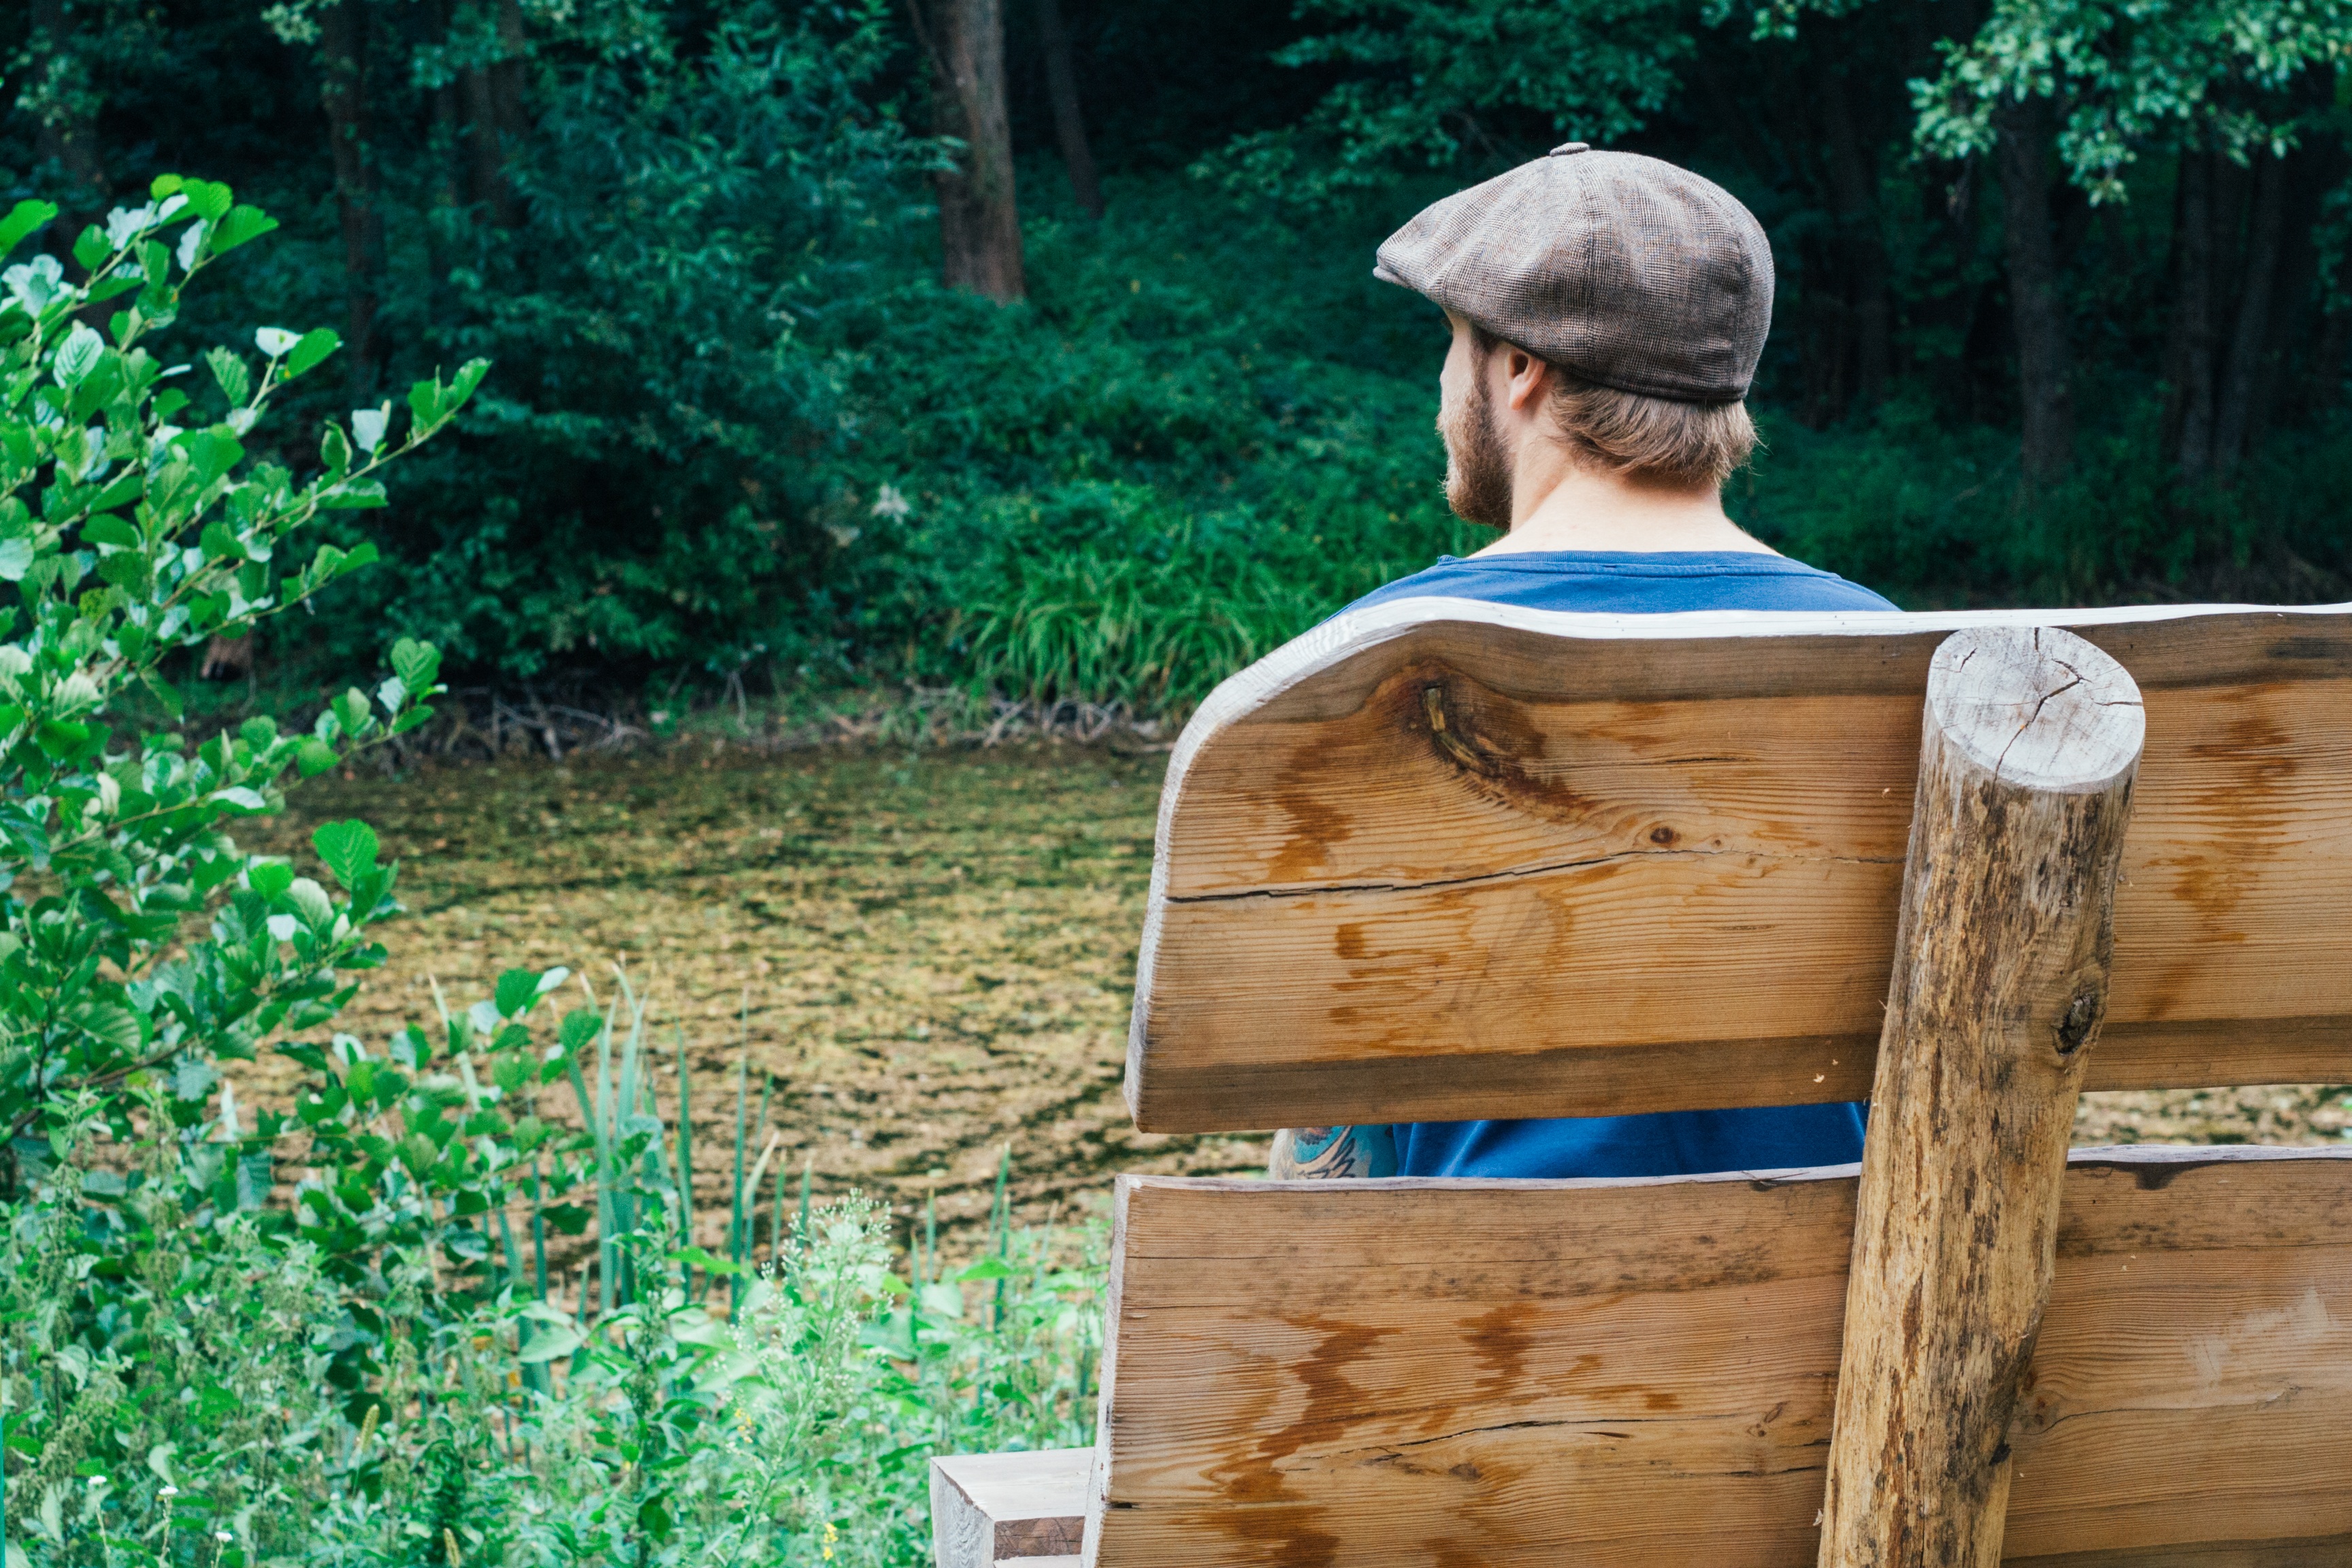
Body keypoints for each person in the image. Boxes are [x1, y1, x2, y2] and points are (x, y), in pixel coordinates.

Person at [1271, 144, 1895, 1183]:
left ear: (1519, 369)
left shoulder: (1371, 669)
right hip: (1824, 1337)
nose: (1441, 385)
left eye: (1455, 343)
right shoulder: (1892, 657)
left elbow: (1326, 1128)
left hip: (1480, 1332)